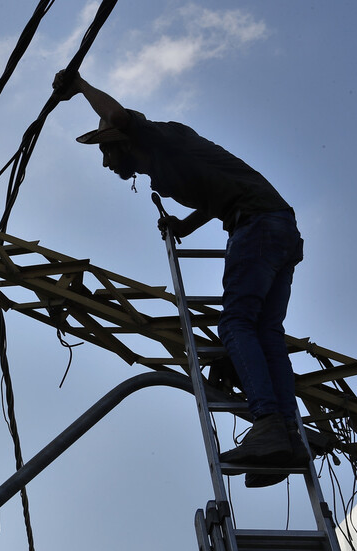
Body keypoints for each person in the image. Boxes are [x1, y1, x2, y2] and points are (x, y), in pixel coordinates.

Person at [53, 70, 307, 487]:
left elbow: (117, 115)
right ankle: (287, 435)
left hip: (257, 226)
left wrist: (79, 84)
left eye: (105, 152)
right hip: (277, 226)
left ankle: (268, 424)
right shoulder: (169, 165)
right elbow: (214, 197)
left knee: (235, 323)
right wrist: (185, 228)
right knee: (266, 331)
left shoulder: (154, 137)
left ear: (122, 143)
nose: (104, 161)